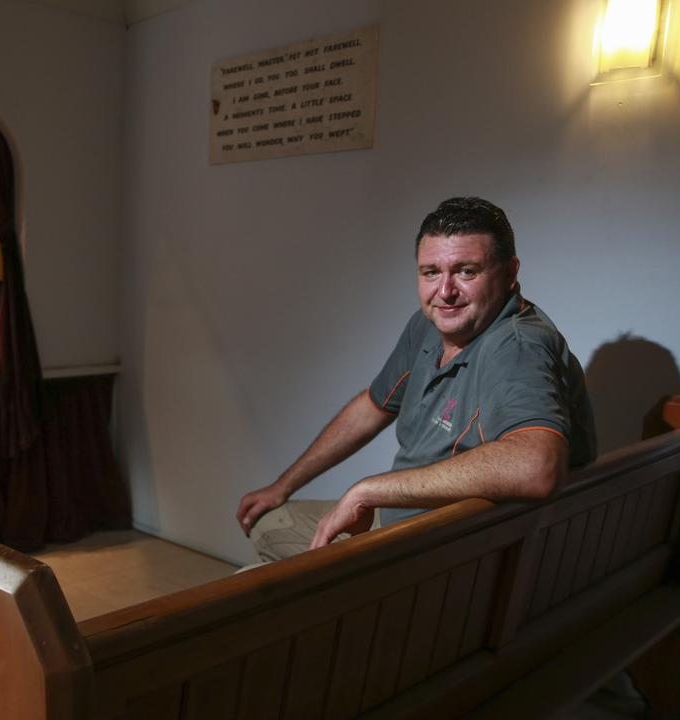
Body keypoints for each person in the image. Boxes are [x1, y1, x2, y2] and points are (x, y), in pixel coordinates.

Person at [236, 197, 595, 562]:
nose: (445, 292)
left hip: (437, 553)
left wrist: (368, 491)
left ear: (509, 272)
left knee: (245, 596)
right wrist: (284, 485)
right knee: (271, 520)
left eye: (466, 271)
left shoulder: (517, 346)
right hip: (402, 524)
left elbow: (538, 466)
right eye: (431, 272)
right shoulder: (428, 325)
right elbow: (372, 407)